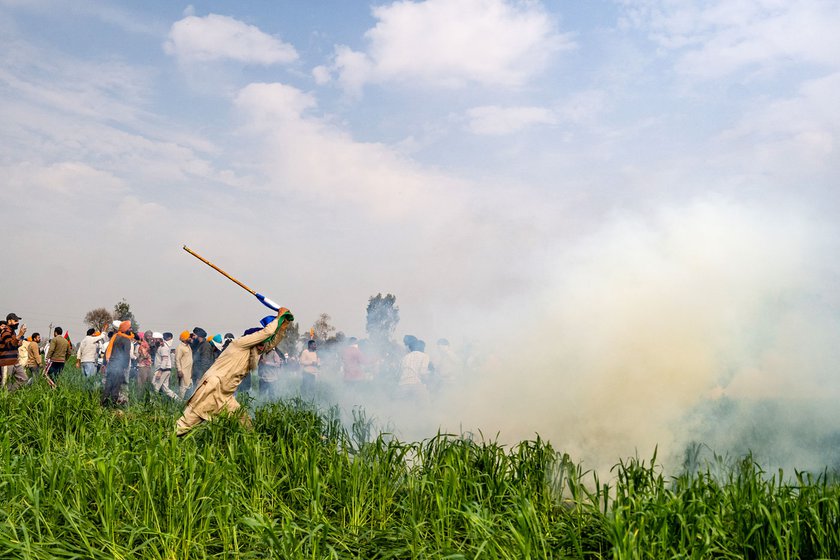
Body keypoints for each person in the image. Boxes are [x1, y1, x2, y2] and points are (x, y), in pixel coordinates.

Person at [176, 308, 294, 436]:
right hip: (212, 388)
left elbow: (270, 342)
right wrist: (278, 319)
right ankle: (168, 440)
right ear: (252, 340)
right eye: (260, 343)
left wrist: (283, 325)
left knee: (245, 423)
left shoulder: (253, 351)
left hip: (226, 395)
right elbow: (266, 333)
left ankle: (252, 446)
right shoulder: (240, 343)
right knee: (184, 425)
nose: (262, 347)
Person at [102, 321, 134, 407]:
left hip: (111, 364)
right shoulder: (126, 339)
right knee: (116, 386)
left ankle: (104, 403)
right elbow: (126, 354)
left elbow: (107, 351)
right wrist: (125, 367)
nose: (131, 330)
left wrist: (104, 364)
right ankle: (112, 405)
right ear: (125, 329)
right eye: (129, 328)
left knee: (108, 385)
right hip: (119, 366)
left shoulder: (115, 337)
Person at [0, 313, 27, 388]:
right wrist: (19, 335)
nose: (17, 323)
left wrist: (18, 344)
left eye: (18, 321)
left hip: (14, 361)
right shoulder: (5, 331)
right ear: (9, 321)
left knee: (24, 379)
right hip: (7, 362)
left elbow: (13, 345)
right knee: (6, 385)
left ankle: (10, 393)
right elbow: (9, 345)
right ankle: (6, 397)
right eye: (15, 321)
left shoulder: (12, 332)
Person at [152, 332, 179, 399]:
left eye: (154, 339)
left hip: (163, 370)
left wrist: (160, 371)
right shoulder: (161, 347)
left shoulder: (163, 348)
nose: (153, 341)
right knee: (165, 389)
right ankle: (179, 400)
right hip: (165, 370)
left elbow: (164, 360)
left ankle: (152, 403)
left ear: (158, 339)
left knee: (155, 386)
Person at [175, 331, 194, 399]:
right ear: (185, 338)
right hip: (183, 372)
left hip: (189, 372)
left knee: (190, 389)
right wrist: (179, 370)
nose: (190, 338)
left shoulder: (188, 346)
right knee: (182, 389)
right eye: (189, 337)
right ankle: (179, 404)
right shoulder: (180, 347)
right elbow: (177, 359)